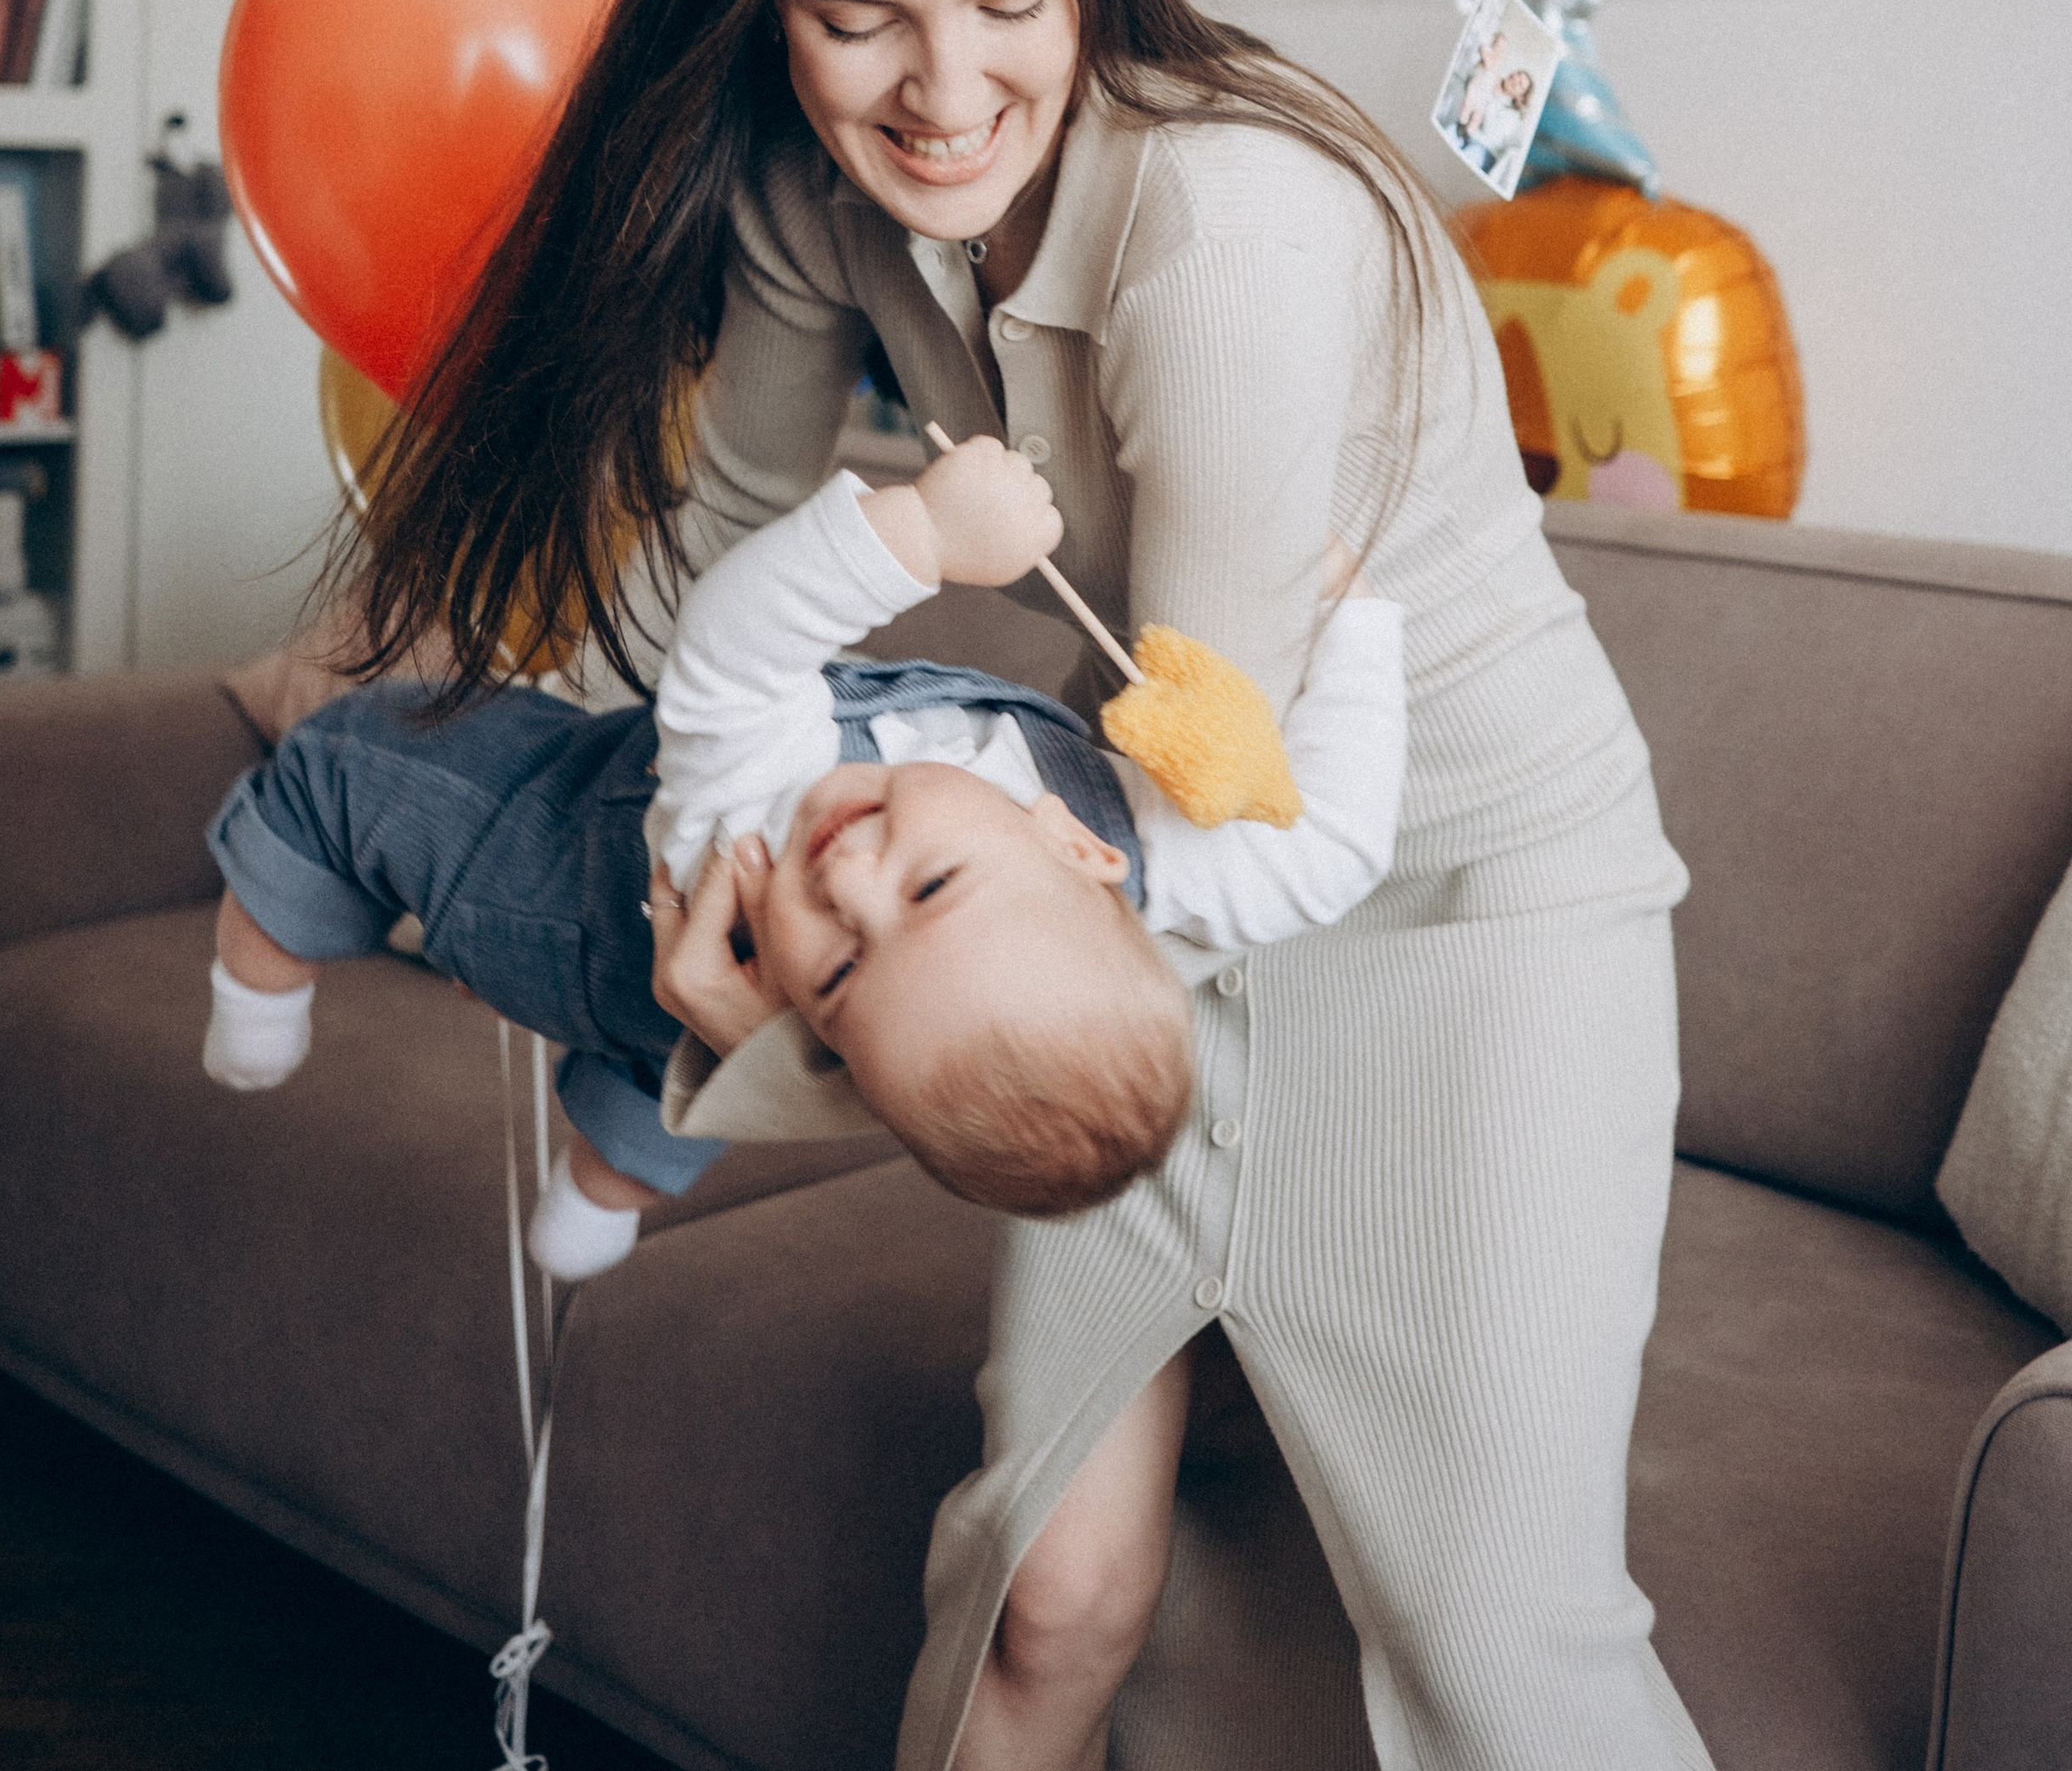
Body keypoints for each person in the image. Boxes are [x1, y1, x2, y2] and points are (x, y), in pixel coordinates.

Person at [338, 0, 1712, 1771]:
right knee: (1036, 1590)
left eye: (1007, 6)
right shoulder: (816, 193)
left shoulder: (1231, 236)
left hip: (1420, 915)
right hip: (1098, 894)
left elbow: (1212, 782)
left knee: (1491, 1644)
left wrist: (771, 994)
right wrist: (612, 825)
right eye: (851, 20)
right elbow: (718, 561)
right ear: (757, 9)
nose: (943, 95)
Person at [201, 438, 1406, 1269]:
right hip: (705, 1024)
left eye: (834, 977)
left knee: (356, 762)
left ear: (829, 1043)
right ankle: (598, 1199)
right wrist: (1353, 623)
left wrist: (922, 529)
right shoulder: (1160, 855)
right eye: (930, 885)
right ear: (1082, 851)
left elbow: (735, 649)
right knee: (664, 1093)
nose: (844, 881)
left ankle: (256, 985)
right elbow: (1336, 848)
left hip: (563, 891)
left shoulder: (760, 816)